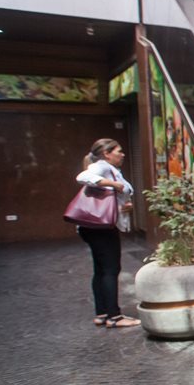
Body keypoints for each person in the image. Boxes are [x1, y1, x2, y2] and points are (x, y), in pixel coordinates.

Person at [76, 139, 140, 329]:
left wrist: (123, 206)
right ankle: (115, 317)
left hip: (93, 227)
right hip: (102, 228)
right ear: (107, 153)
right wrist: (115, 185)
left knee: (101, 270)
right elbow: (82, 177)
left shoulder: (108, 168)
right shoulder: (101, 167)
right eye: (119, 151)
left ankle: (102, 313)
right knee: (111, 270)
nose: (123, 154)